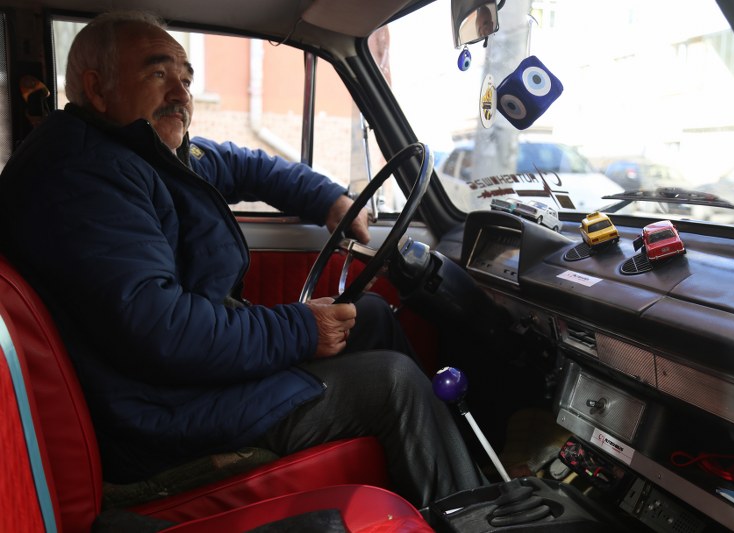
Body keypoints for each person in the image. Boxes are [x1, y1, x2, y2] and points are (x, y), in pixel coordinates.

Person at [0, 10, 483, 508]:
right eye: (158, 72)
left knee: (372, 315)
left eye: (187, 78)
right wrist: (301, 329)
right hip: (158, 422)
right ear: (97, 88)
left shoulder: (136, 150)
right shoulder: (85, 176)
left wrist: (328, 199)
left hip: (174, 387)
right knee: (394, 383)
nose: (182, 94)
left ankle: (470, 471)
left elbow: (240, 164)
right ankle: (470, 514)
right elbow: (163, 331)